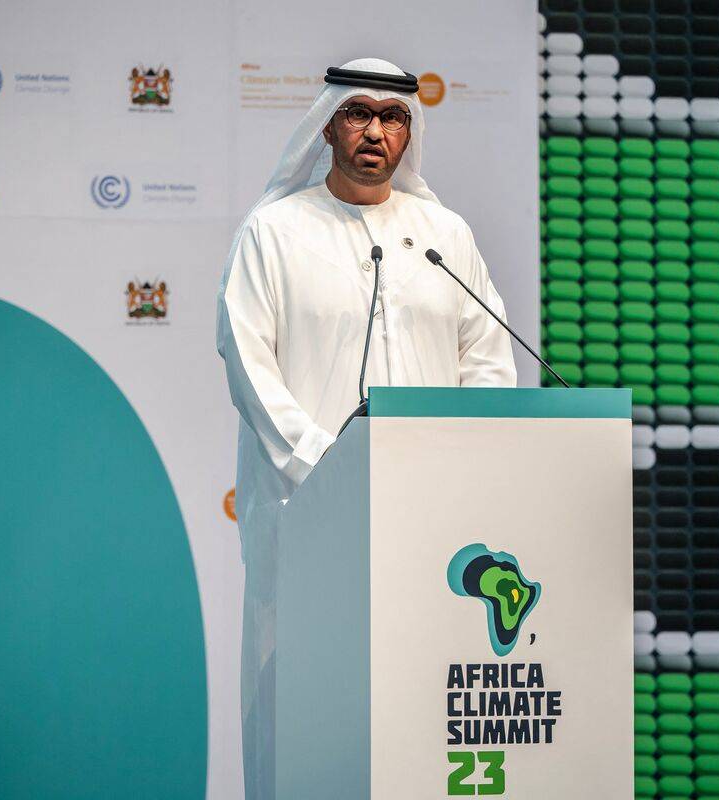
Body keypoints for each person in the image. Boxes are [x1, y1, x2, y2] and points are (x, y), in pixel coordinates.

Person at [216, 57, 516, 799]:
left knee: (417, 711)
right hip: (305, 516)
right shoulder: (274, 233)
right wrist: (338, 472)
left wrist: (454, 469)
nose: (376, 131)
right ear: (328, 125)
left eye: (393, 117)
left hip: (427, 519)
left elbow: (486, 359)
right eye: (359, 114)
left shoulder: (444, 235)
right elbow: (250, 365)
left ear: (410, 133)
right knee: (302, 714)